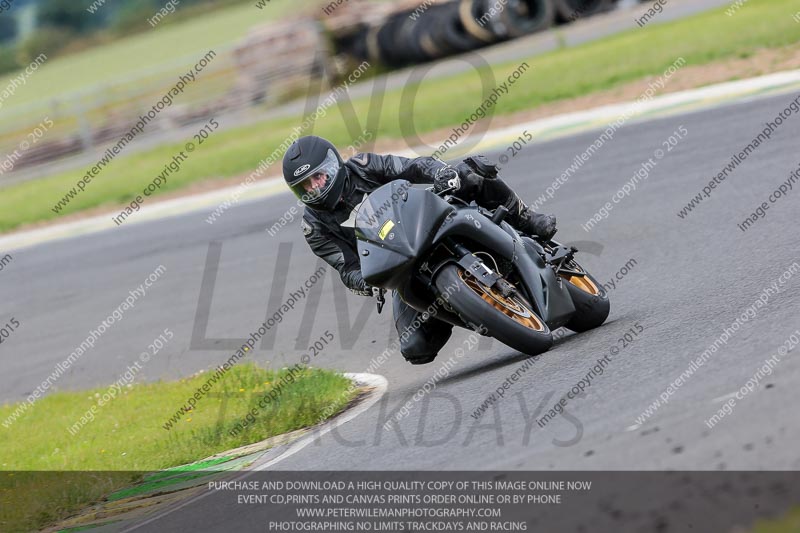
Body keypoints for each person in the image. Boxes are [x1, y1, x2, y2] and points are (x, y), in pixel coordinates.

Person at [282, 135, 556, 365]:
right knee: (416, 347)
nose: (314, 188)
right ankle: (472, 310)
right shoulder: (313, 227)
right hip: (402, 267)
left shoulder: (363, 166)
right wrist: (367, 282)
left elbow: (412, 168)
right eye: (305, 185)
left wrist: (440, 173)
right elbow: (347, 268)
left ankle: (527, 218)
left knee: (470, 174)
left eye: (317, 177)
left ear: (332, 165)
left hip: (426, 223)